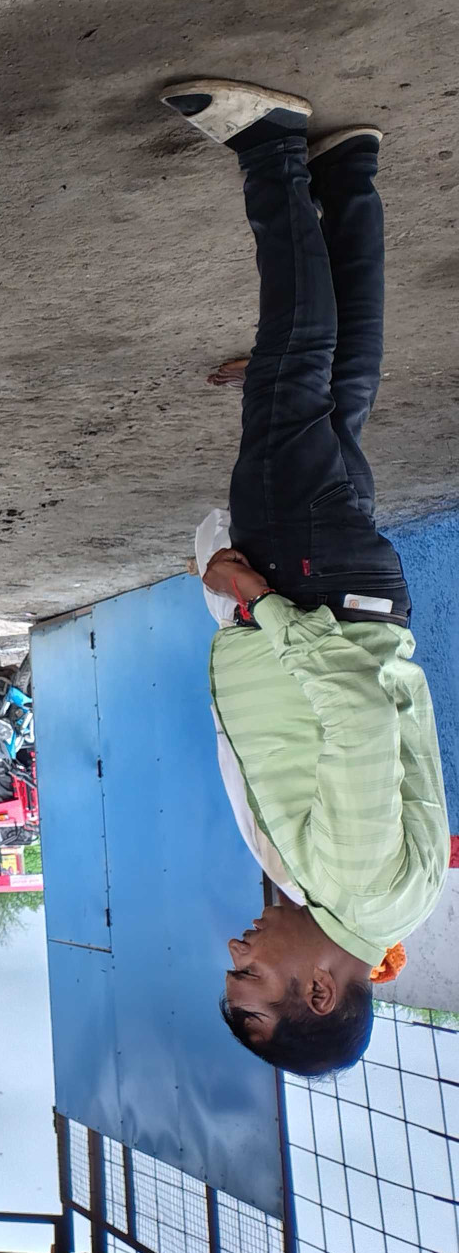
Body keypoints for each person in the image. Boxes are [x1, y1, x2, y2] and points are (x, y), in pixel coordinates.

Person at [161, 78, 448, 1077]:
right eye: (250, 977)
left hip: (342, 594)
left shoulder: (361, 902)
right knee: (294, 381)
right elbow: (358, 719)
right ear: (316, 990)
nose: (234, 952)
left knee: (334, 396)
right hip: (310, 588)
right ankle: (271, 152)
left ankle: (347, 173)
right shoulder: (351, 881)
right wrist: (261, 605)